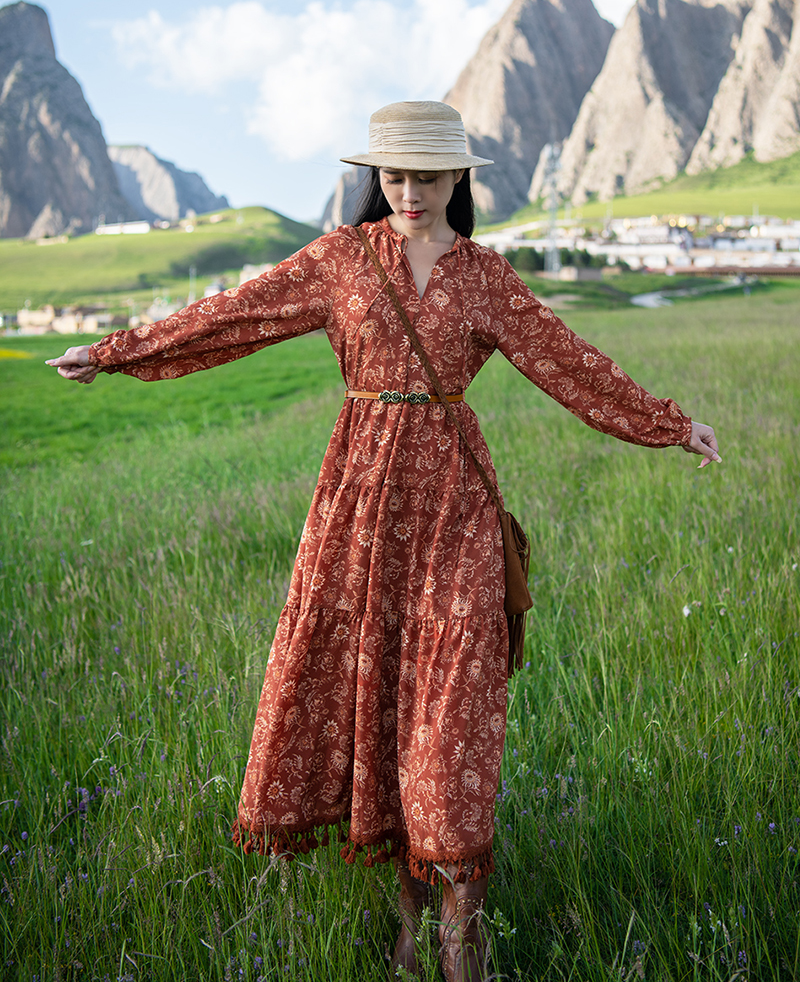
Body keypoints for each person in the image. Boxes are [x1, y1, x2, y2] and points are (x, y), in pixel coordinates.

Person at [48, 100, 720, 982]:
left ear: (458, 180)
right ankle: (409, 924)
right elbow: (234, 315)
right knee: (382, 711)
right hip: (358, 516)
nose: (408, 191)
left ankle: (460, 932)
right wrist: (119, 350)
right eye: (394, 176)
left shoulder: (485, 278)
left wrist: (668, 425)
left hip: (455, 516)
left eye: (427, 176)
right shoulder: (339, 260)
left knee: (452, 716)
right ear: (378, 178)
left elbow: (567, 360)